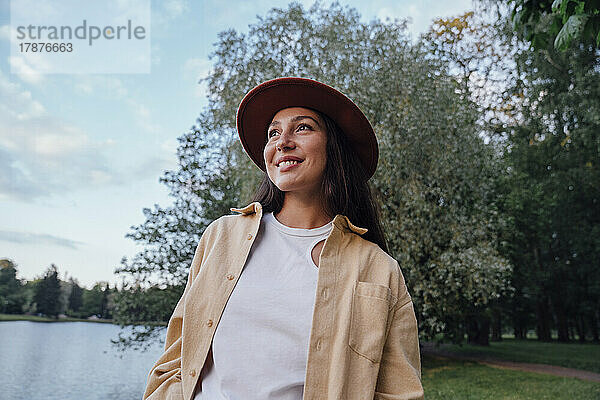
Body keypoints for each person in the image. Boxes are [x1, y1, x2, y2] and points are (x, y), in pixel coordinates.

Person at [142, 77, 424, 400]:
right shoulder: (220, 238)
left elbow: (400, 393)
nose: (283, 142)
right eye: (273, 132)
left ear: (335, 146)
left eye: (302, 128)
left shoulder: (379, 270)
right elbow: (174, 363)